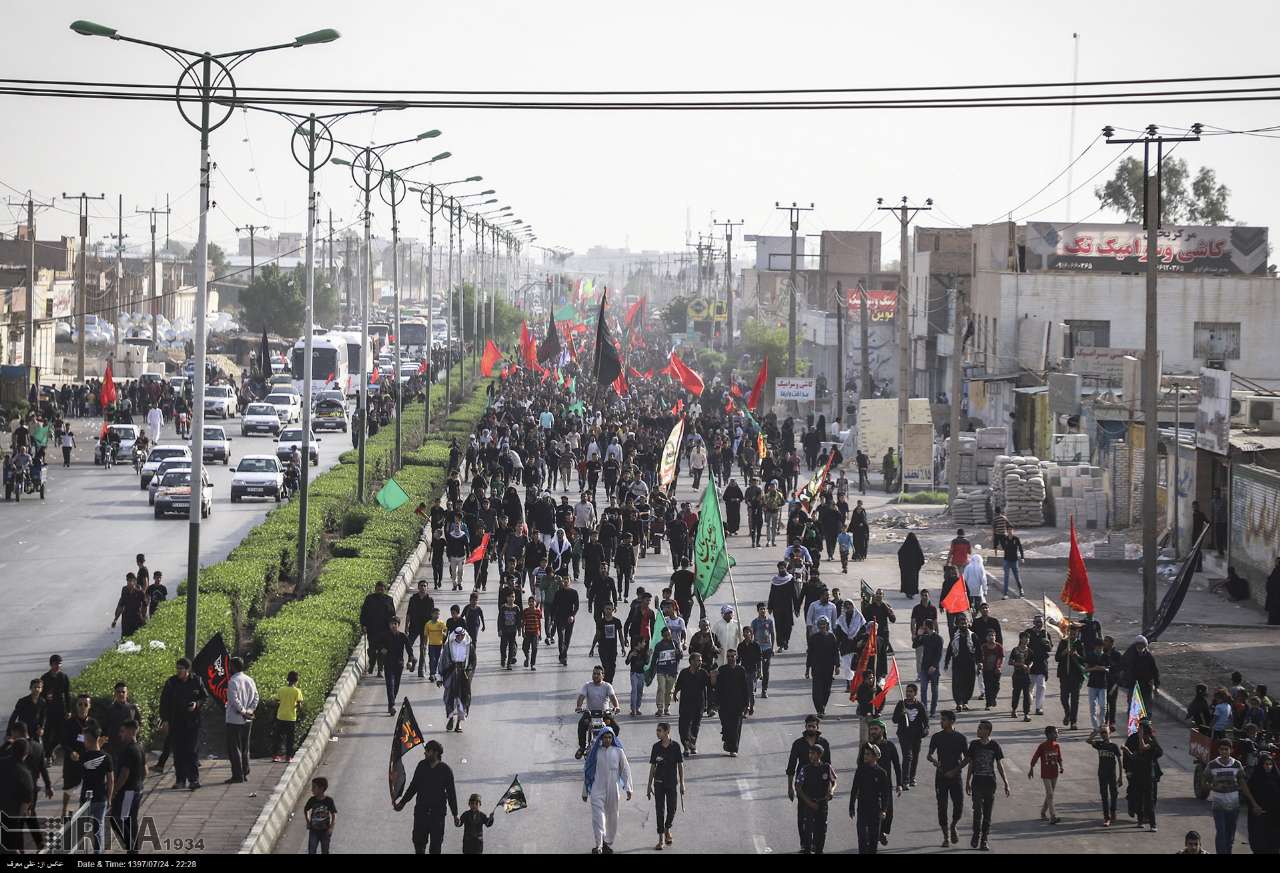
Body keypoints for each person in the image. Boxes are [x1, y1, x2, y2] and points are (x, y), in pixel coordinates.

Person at [393, 740, 459, 855]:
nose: (425, 753)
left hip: (437, 815)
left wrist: (455, 814)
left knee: (435, 846)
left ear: (435, 753)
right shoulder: (421, 766)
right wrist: (403, 803)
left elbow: (451, 793)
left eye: (428, 751)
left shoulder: (446, 770)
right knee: (419, 844)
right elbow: (413, 786)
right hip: (421, 812)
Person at [1206, 737, 1261, 854]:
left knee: (1230, 835)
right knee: (1221, 833)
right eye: (1222, 749)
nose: (1224, 752)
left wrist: (1253, 802)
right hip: (1218, 806)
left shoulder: (1237, 765)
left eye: (1226, 749)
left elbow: (1243, 784)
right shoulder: (1212, 765)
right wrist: (1214, 787)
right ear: (1218, 750)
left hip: (1234, 806)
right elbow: (1204, 782)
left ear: (1231, 750)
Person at [582, 726, 632, 855]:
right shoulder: (595, 753)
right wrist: (585, 792)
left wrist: (628, 788)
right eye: (605, 737)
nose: (607, 739)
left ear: (613, 738)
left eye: (610, 737)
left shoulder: (618, 751)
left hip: (612, 789)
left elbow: (625, 769)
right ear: (601, 738)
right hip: (597, 789)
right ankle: (598, 845)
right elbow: (588, 772)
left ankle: (607, 843)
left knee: (612, 817)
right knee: (598, 818)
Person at [159, 658, 206, 789]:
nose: (179, 671)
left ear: (188, 670)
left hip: (192, 723)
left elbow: (204, 697)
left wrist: (197, 704)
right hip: (176, 723)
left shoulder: (196, 681)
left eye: (181, 669)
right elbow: (164, 702)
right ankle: (180, 780)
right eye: (177, 668)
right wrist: (165, 720)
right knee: (178, 752)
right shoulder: (171, 683)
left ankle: (193, 780)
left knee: (191, 751)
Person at [965, 719, 1010, 851]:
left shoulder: (994, 745)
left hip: (990, 782)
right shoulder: (974, 745)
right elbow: (971, 764)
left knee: (987, 813)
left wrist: (1006, 782)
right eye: (978, 728)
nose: (978, 730)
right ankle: (976, 834)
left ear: (987, 731)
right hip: (977, 781)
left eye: (980, 728)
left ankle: (984, 839)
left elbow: (999, 765)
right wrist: (967, 781)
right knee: (977, 810)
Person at [927, 710, 968, 848]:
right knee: (942, 807)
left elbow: (967, 757)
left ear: (951, 721)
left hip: (955, 777)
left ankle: (953, 825)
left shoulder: (961, 738)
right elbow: (929, 755)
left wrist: (955, 770)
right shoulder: (937, 737)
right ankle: (946, 837)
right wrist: (934, 761)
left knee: (959, 805)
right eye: (941, 719)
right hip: (941, 776)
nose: (941, 722)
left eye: (943, 719)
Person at [646, 722, 685, 850]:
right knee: (660, 810)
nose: (657, 733)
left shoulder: (676, 747)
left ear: (667, 732)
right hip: (658, 783)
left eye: (660, 731)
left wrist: (682, 783)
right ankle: (661, 838)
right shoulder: (655, 747)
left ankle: (667, 827)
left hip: (672, 783)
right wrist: (649, 785)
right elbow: (653, 766)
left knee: (672, 809)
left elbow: (680, 765)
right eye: (657, 730)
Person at [110, 719, 146, 853]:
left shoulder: (128, 750)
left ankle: (131, 847)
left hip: (128, 792)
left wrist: (115, 790)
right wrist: (139, 782)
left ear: (131, 732)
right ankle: (134, 848)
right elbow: (145, 770)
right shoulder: (140, 747)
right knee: (132, 819)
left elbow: (124, 773)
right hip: (138, 788)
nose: (120, 735)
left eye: (122, 731)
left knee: (117, 819)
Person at [849, 744, 891, 854]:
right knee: (862, 835)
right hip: (862, 808)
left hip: (875, 809)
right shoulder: (861, 770)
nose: (865, 756)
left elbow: (886, 793)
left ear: (875, 756)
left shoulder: (882, 773)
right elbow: (854, 789)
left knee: (873, 837)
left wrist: (884, 810)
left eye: (868, 754)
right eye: (865, 754)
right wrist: (851, 806)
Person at [795, 742, 837, 854]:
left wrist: (831, 791)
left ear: (819, 755)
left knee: (821, 829)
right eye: (810, 753)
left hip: (822, 803)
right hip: (809, 803)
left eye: (813, 753)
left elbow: (834, 781)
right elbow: (798, 787)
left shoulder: (827, 767)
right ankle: (807, 849)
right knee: (808, 829)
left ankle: (819, 850)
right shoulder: (805, 769)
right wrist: (808, 802)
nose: (811, 756)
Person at [224, 657, 257, 784]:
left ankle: (237, 775)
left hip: (234, 720)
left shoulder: (233, 681)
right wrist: (250, 711)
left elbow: (233, 699)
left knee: (234, 747)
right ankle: (245, 770)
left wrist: (243, 712)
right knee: (245, 747)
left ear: (233, 667)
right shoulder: (250, 680)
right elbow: (256, 697)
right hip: (248, 719)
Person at [438, 627, 476, 732]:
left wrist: (469, 674)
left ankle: (459, 723)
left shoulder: (469, 646)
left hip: (463, 675)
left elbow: (473, 662)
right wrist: (440, 677)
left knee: (463, 699)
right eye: (459, 635)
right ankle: (450, 719)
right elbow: (442, 661)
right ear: (455, 636)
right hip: (450, 674)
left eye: (462, 635)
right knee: (449, 698)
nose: (461, 637)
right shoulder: (449, 646)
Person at [713, 647, 750, 756]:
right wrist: (716, 703)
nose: (730, 658)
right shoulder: (722, 670)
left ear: (736, 657)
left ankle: (733, 749)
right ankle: (727, 741)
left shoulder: (741, 670)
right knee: (726, 726)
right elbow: (717, 687)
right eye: (728, 656)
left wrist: (746, 705)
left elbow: (745, 688)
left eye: (732, 656)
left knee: (736, 727)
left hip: (737, 705)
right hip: (724, 704)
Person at [892, 684, 929, 787]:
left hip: (916, 736)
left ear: (915, 693)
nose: (908, 693)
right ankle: (905, 780)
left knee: (915, 756)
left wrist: (925, 730)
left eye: (911, 691)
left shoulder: (919, 705)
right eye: (907, 691)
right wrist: (901, 714)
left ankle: (912, 777)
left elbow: (926, 721)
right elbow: (894, 720)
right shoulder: (901, 704)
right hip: (904, 735)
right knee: (907, 756)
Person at [673, 652, 709, 755]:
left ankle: (692, 744)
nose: (700, 662)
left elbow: (711, 685)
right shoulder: (684, 672)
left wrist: (713, 677)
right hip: (685, 704)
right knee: (683, 726)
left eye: (701, 661)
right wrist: (675, 693)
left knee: (695, 725)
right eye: (698, 660)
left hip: (699, 704)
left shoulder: (703, 673)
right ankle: (686, 746)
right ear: (692, 661)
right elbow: (678, 684)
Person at [1087, 724, 1124, 826]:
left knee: (1114, 794)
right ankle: (1106, 817)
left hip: (1112, 774)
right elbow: (1088, 740)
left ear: (1110, 733)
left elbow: (1120, 762)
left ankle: (1113, 813)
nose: (1103, 734)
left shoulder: (1114, 747)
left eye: (1105, 732)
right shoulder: (1099, 744)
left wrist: (1120, 777)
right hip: (1102, 774)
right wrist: (1096, 731)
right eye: (1102, 733)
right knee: (1104, 795)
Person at [1029, 724, 1064, 824]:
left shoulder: (1057, 745)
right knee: (1050, 794)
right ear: (1048, 735)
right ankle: (1053, 816)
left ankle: (1043, 812)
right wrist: (1031, 768)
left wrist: (1061, 766)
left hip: (1054, 773)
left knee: (1050, 795)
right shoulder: (1042, 746)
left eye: (1057, 732)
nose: (1057, 734)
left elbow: (1059, 758)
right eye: (1055, 733)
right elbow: (1035, 757)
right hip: (1045, 774)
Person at [1246, 752, 1280, 853]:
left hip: (1274, 818)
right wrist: (1254, 806)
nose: (1268, 766)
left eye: (1270, 764)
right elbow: (1248, 795)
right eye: (1266, 764)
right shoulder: (1255, 778)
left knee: (1273, 845)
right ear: (1261, 765)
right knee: (1259, 844)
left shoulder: (1277, 778)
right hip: (1259, 816)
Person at [806, 616, 839, 716]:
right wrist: (807, 668)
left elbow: (835, 652)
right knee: (816, 691)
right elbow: (810, 654)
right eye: (820, 624)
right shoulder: (813, 638)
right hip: (816, 668)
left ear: (827, 625)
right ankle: (819, 709)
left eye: (824, 624)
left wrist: (837, 666)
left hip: (828, 668)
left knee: (826, 689)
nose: (822, 626)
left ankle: (823, 706)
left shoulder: (831, 637)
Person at [305, 776, 337, 855]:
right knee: (312, 850)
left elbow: (334, 814)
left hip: (325, 831)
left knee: (325, 850)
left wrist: (331, 827)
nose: (312, 789)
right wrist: (308, 822)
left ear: (321, 789)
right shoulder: (312, 800)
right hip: (314, 830)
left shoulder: (329, 801)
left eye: (314, 787)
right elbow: (306, 810)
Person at [898, 533, 925, 599]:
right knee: (913, 581)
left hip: (906, 568)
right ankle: (911, 592)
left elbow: (900, 553)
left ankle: (907, 592)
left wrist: (903, 564)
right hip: (914, 568)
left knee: (906, 580)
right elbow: (921, 556)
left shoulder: (905, 546)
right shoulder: (916, 546)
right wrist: (919, 564)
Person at [1001, 529, 1025, 598]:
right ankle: (1005, 594)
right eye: (1008, 530)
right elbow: (1003, 547)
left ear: (1013, 531)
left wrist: (1022, 557)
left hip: (1014, 560)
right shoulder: (1004, 539)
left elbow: (1020, 548)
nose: (1010, 532)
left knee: (1017, 577)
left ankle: (1021, 591)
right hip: (1006, 561)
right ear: (1007, 532)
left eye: (1011, 530)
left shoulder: (1016, 539)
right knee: (1006, 577)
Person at [522, 595, 542, 670]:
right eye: (529, 602)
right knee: (524, 648)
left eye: (532, 602)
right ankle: (527, 658)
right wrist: (523, 631)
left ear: (535, 602)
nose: (531, 603)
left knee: (535, 648)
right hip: (527, 632)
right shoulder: (525, 611)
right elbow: (523, 622)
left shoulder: (538, 611)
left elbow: (539, 622)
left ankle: (532, 664)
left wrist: (540, 633)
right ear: (528, 603)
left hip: (535, 633)